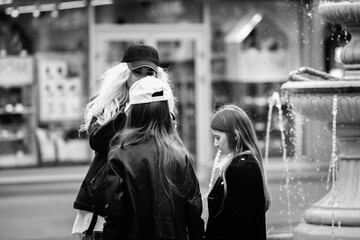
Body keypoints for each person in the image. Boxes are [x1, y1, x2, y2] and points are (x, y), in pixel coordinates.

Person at [72, 43, 173, 240]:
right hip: (106, 198)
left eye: (149, 73)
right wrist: (126, 113)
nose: (143, 78)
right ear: (124, 75)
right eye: (138, 72)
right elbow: (97, 141)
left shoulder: (161, 106)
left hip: (145, 196)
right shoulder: (105, 103)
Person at [103, 76, 204, 240]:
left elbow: (115, 215)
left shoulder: (119, 155)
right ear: (166, 112)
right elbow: (193, 212)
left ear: (134, 112)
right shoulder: (180, 155)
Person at [205, 104, 271, 240]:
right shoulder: (245, 164)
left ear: (234, 136)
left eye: (218, 138)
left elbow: (235, 227)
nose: (215, 144)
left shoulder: (241, 169)